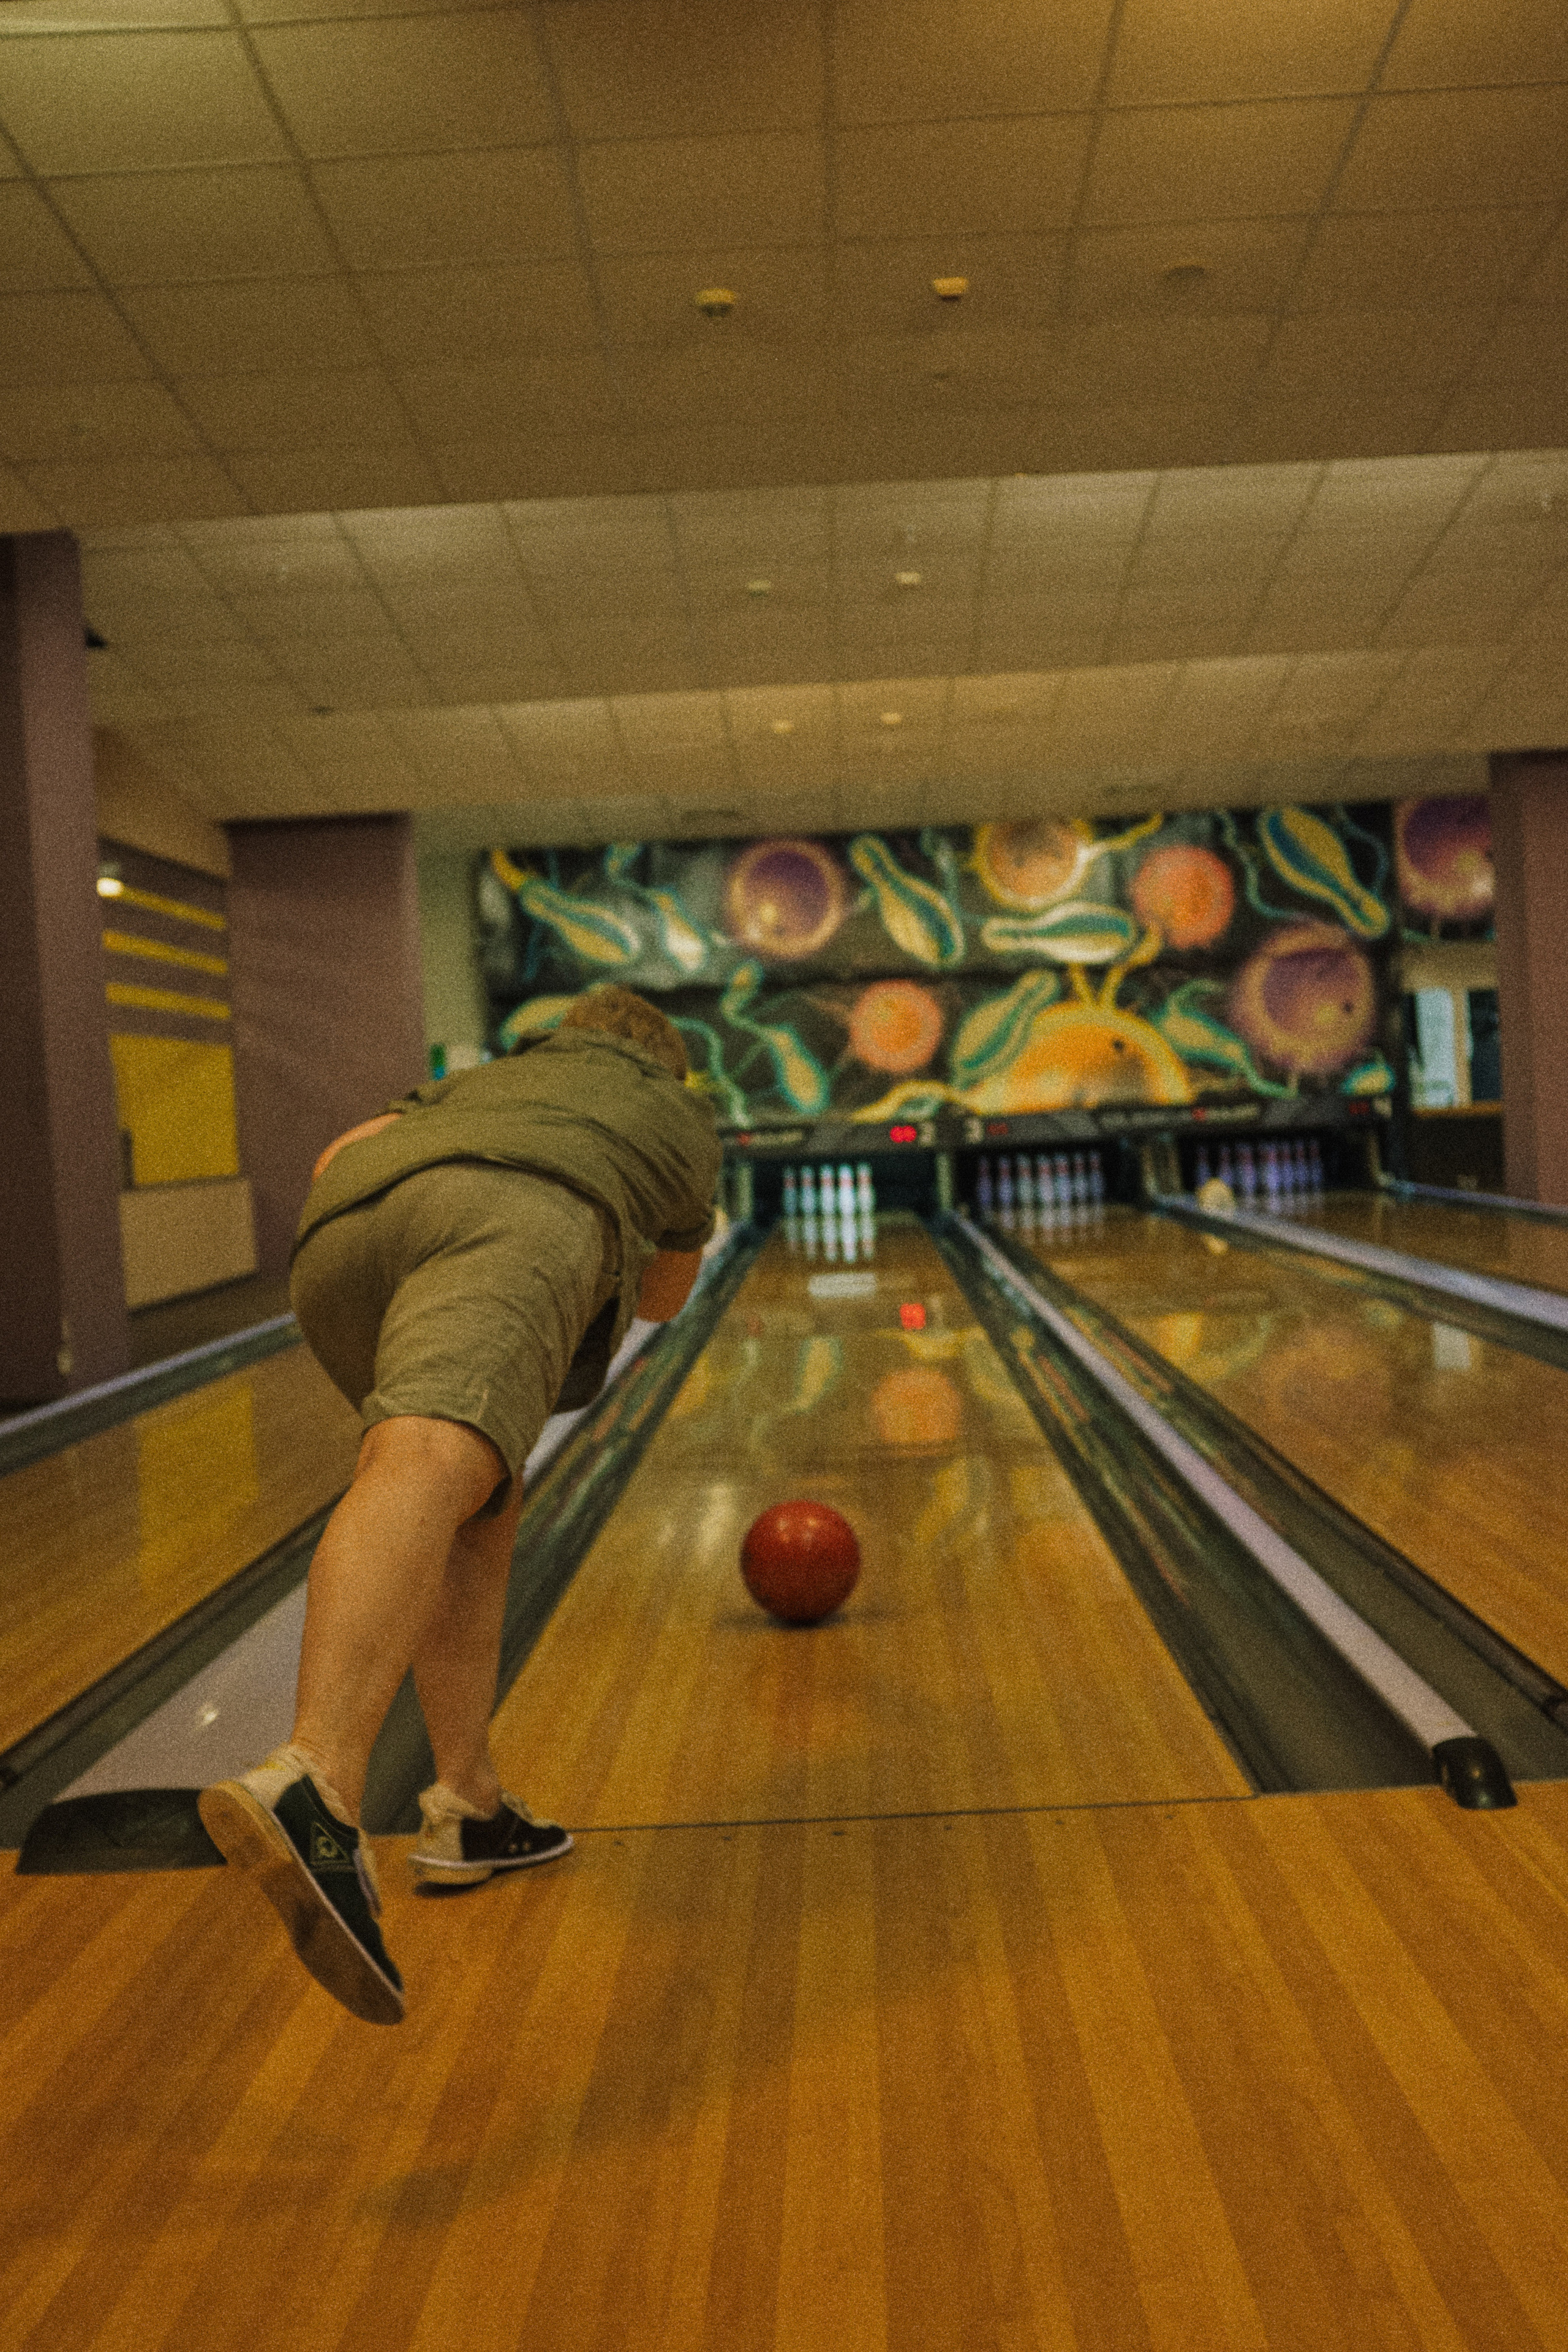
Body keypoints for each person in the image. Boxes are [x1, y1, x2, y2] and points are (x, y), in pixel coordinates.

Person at [199, 986, 721, 2025]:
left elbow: (337, 1152)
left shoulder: (483, 1078)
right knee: (434, 1459)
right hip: (518, 1208)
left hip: (340, 1242)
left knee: (474, 1510)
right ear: (664, 1061)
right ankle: (318, 1785)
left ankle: (469, 1802)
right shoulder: (672, 1106)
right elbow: (664, 1296)